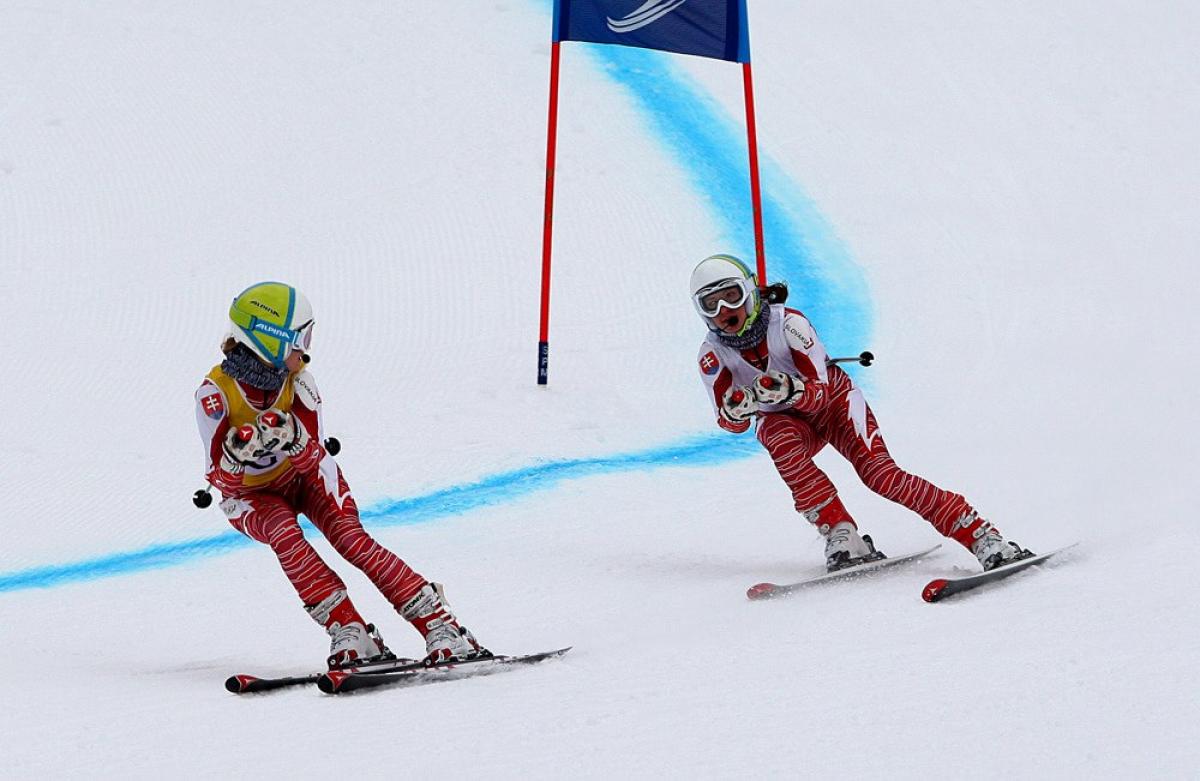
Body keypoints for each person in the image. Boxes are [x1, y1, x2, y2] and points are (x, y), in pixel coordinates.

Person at [194, 281, 488, 668]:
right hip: (252, 497)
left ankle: (440, 624)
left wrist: (295, 439)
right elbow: (220, 482)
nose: (306, 350)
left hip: (305, 479)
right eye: (300, 339)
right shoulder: (214, 395)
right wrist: (234, 458)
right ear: (270, 343)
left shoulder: (299, 384)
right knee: (283, 533)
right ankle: (348, 629)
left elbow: (313, 460)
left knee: (349, 537)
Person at [690, 254, 1033, 572]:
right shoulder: (712, 354)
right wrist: (736, 412)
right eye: (710, 303)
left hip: (835, 407)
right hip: (790, 423)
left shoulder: (789, 324)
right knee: (773, 433)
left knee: (881, 477)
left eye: (731, 295)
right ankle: (841, 532)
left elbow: (821, 393)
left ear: (750, 292)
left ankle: (980, 534)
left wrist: (791, 390)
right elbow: (729, 423)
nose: (723, 309)